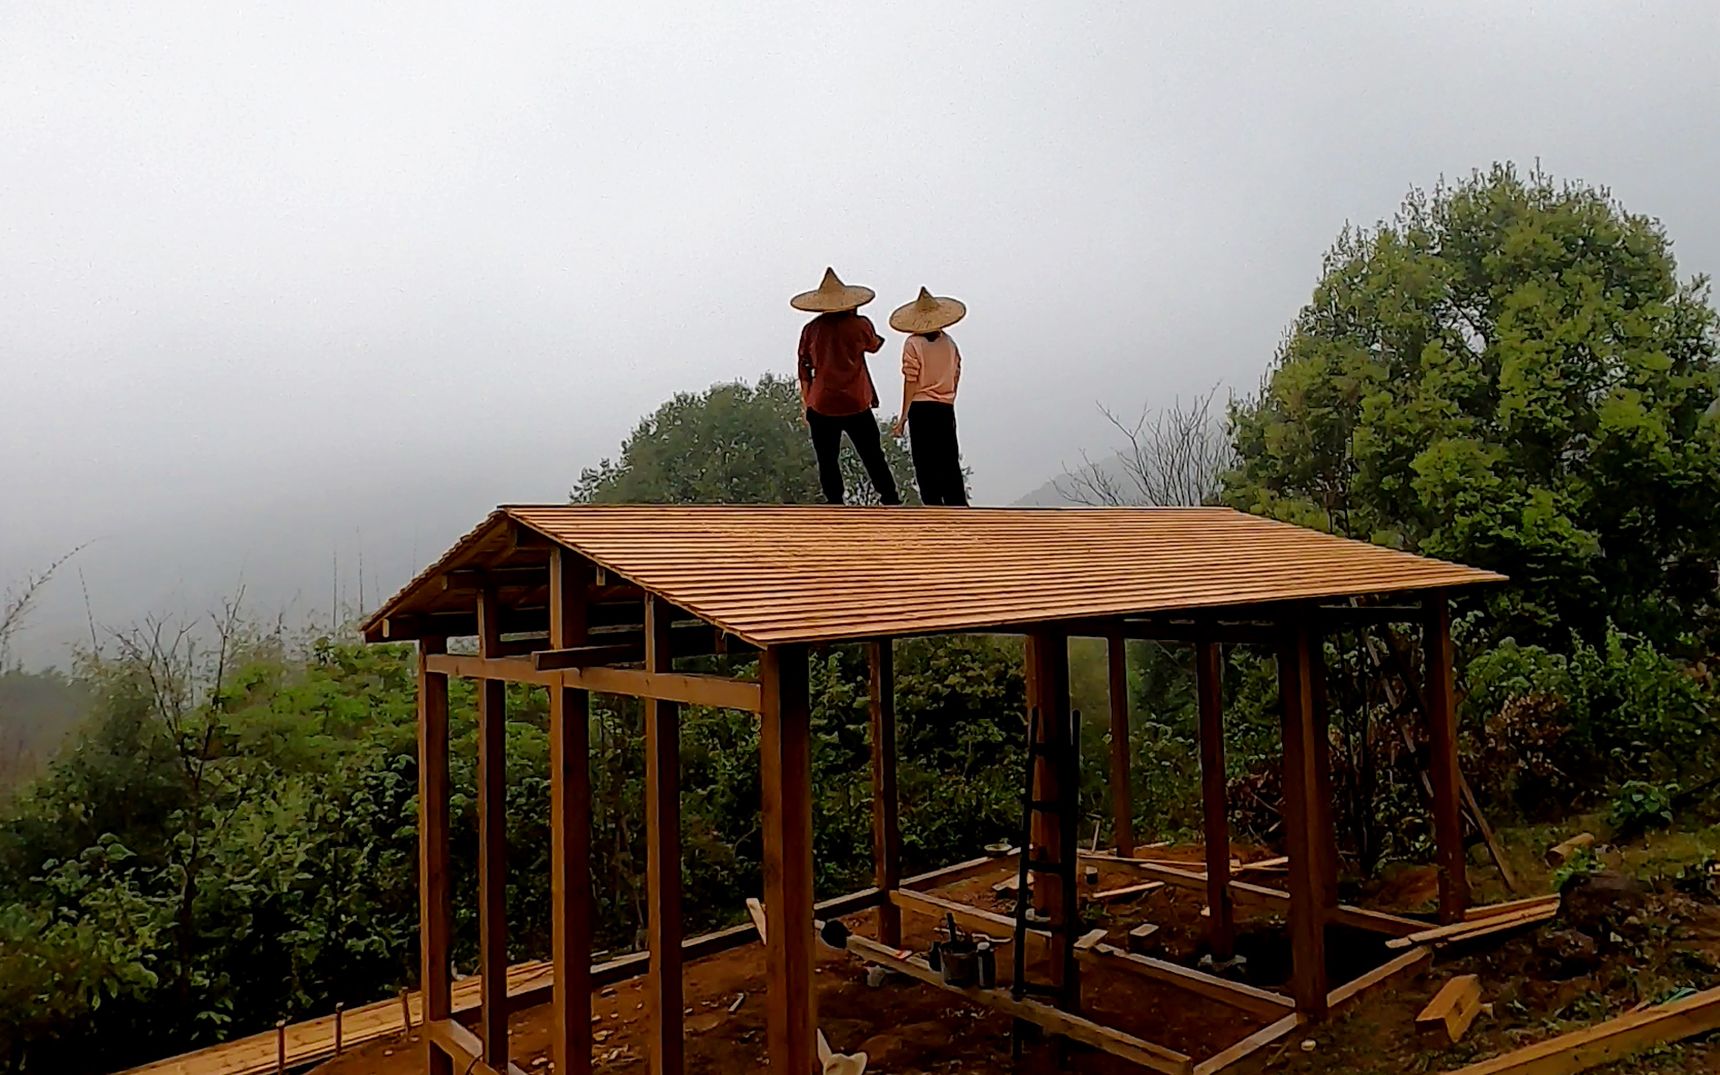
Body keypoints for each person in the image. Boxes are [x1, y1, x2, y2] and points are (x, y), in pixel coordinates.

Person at [791, 268, 901, 505]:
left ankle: (835, 502)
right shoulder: (859, 325)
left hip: (822, 403)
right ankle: (890, 498)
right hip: (856, 401)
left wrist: (805, 401)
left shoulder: (811, 330)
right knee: (872, 455)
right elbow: (875, 345)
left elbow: (804, 368)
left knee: (827, 458)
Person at [889, 287, 968, 506]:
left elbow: (910, 380)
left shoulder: (913, 343)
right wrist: (949, 397)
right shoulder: (950, 343)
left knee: (925, 462)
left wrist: (903, 415)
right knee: (948, 460)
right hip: (944, 408)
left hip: (921, 408)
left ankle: (933, 507)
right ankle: (958, 506)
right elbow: (956, 374)